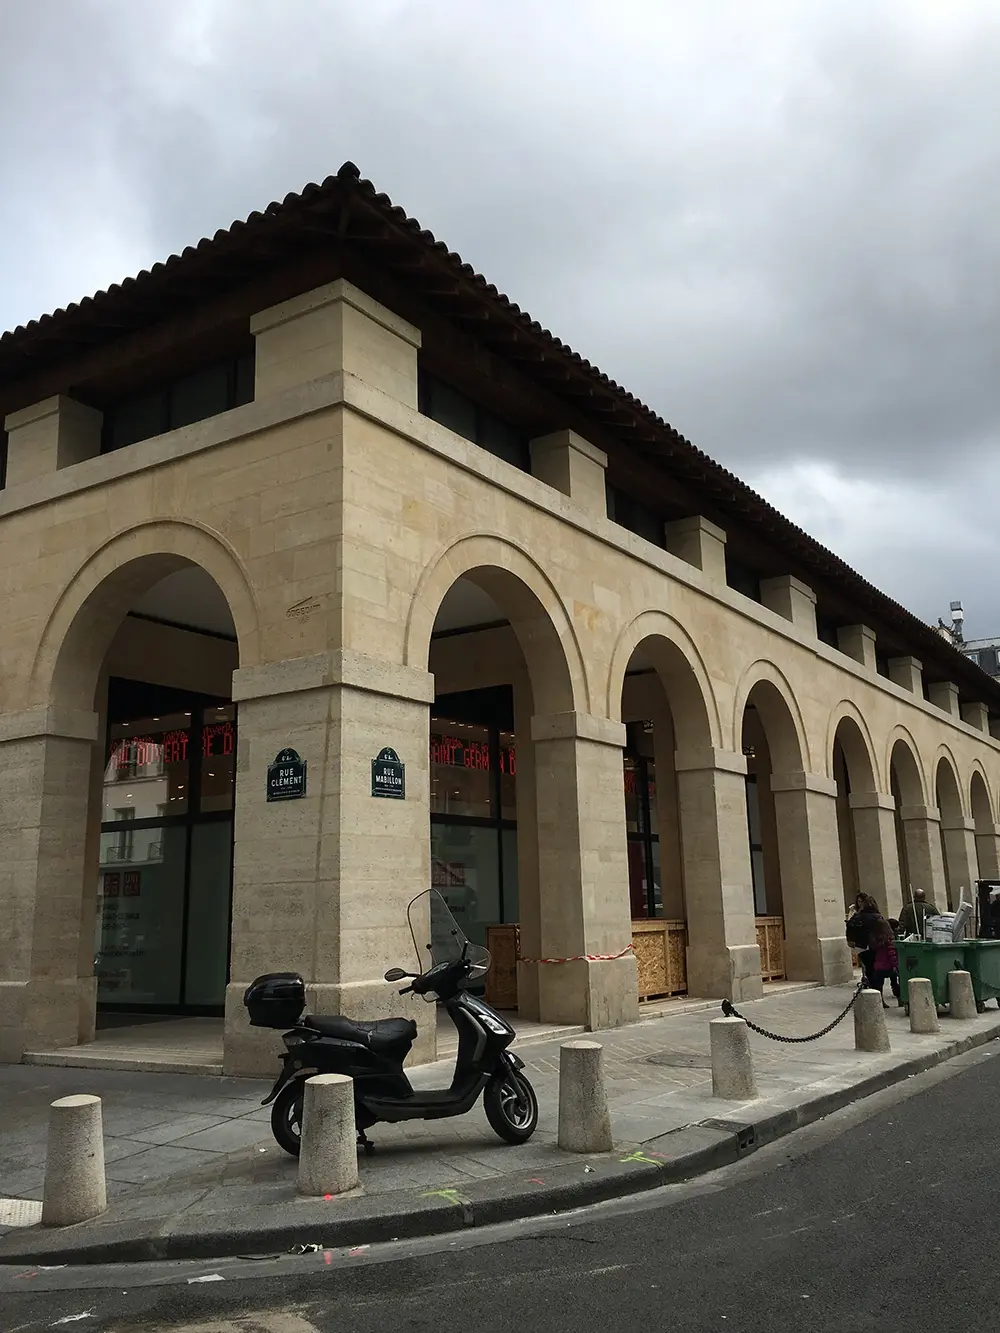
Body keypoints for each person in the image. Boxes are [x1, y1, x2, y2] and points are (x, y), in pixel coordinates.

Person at [846, 893, 884, 989]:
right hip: (875, 946)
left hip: (862, 946)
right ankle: (876, 990)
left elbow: (849, 925)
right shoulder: (877, 916)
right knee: (876, 970)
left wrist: (851, 940)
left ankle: (870, 985)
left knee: (869, 968)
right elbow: (885, 931)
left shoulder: (858, 916)